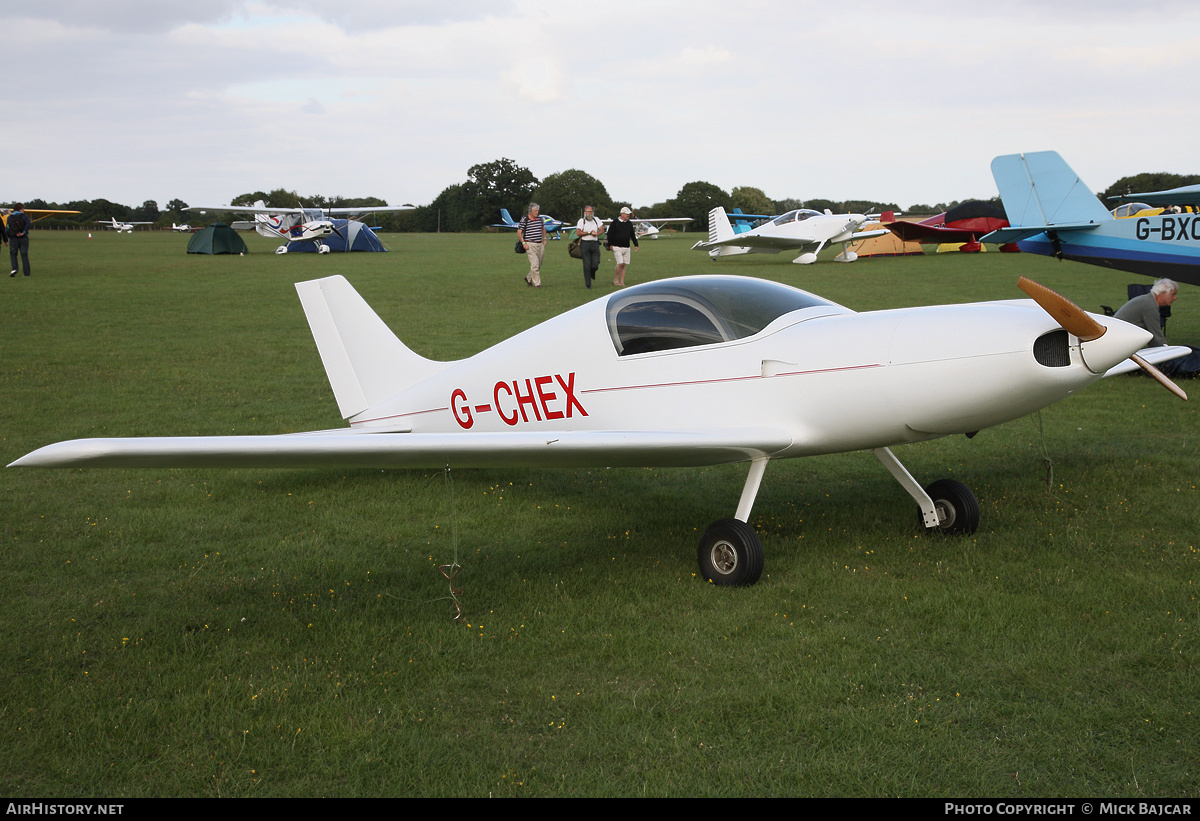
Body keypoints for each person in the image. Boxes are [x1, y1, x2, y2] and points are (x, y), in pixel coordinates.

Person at [1114, 278, 1178, 347]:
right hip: (1119, 342)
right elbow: (1157, 338)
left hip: (1118, 338)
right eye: (1173, 294)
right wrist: (1167, 351)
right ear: (1163, 293)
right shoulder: (1150, 306)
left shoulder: (1147, 300)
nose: (1175, 298)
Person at [606, 206, 639, 287]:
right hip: (617, 247)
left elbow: (632, 235)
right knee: (620, 263)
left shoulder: (629, 223)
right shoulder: (615, 222)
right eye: (626, 214)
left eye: (629, 214)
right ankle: (615, 280)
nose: (628, 215)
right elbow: (609, 234)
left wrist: (636, 245)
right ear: (622, 214)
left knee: (624, 265)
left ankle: (622, 282)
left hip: (626, 247)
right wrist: (609, 245)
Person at [518, 203, 546, 287]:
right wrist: (523, 243)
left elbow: (543, 228)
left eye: (537, 211)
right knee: (535, 264)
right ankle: (537, 284)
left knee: (539, 264)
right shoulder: (525, 219)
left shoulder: (540, 219)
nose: (537, 212)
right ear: (530, 211)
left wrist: (544, 238)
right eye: (535, 211)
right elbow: (519, 232)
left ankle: (528, 278)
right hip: (529, 244)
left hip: (539, 244)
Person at [576, 205, 604, 289]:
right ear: (585, 213)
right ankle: (588, 285)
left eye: (590, 212)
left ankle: (592, 272)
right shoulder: (581, 221)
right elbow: (578, 233)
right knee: (587, 264)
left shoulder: (596, 219)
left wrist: (597, 234)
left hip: (595, 243)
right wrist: (588, 233)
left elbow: (602, 230)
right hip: (585, 244)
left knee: (595, 264)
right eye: (588, 212)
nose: (589, 213)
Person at [7, 204, 32, 277]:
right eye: (23, 209)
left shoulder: (10, 217)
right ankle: (26, 273)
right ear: (20, 209)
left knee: (13, 254)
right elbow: (28, 225)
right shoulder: (25, 217)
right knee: (24, 255)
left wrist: (10, 236)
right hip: (23, 237)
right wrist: (23, 232)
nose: (24, 210)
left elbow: (7, 227)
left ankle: (14, 268)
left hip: (13, 238)